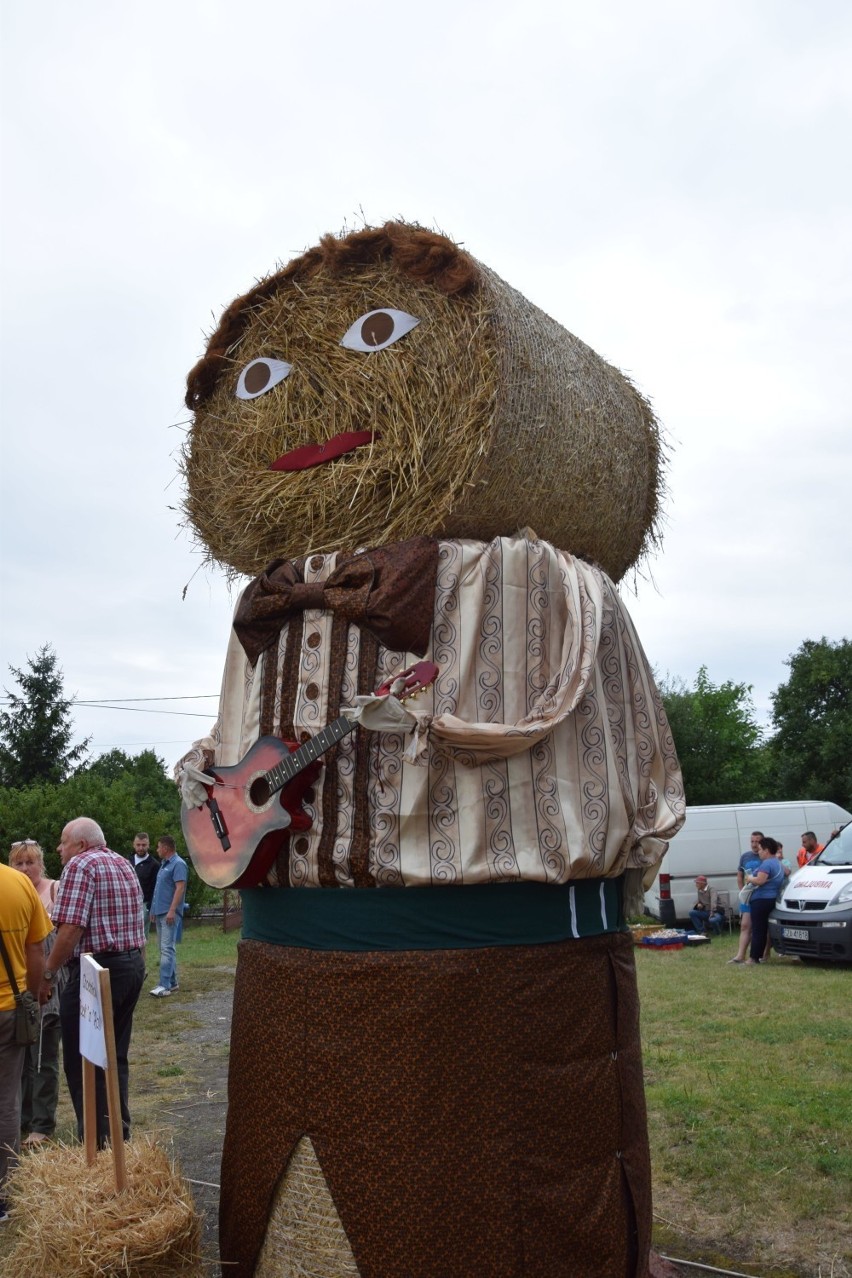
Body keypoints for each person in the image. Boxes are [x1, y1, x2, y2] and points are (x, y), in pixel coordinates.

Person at [40, 817, 145, 1149]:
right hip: (131, 965)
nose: (59, 848)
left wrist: (47, 972)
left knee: (84, 1058)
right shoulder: (123, 863)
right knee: (115, 1056)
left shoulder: (79, 866)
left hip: (96, 970)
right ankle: (117, 1133)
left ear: (81, 845)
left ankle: (96, 1143)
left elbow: (70, 929)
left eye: (62, 841)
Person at [0, 860, 51, 1222]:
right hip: (9, 1010)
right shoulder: (18, 883)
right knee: (6, 1100)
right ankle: (3, 1191)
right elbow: (37, 951)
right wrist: (32, 998)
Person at [8, 840, 64, 1146]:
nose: (26, 868)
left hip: (48, 984)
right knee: (21, 1058)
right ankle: (23, 1118)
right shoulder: (12, 891)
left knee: (43, 1056)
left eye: (31, 862)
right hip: (19, 988)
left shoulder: (54, 890)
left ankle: (43, 1123)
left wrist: (47, 978)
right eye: (19, 863)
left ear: (41, 863)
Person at [149, 836, 188, 998]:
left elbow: (180, 888)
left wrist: (172, 910)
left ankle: (164, 985)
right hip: (159, 912)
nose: (157, 850)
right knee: (164, 948)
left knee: (167, 948)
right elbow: (159, 889)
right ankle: (172, 982)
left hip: (169, 913)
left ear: (166, 848)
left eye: (158, 847)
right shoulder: (165, 864)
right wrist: (153, 909)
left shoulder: (178, 864)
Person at [745, 836, 785, 965]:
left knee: (758, 929)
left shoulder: (767, 863)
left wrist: (750, 878)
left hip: (761, 900)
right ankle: (762, 955)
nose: (759, 851)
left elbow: (760, 880)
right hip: (772, 898)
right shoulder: (778, 863)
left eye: (761, 849)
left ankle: (753, 958)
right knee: (764, 930)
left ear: (767, 850)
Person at [729, 831, 763, 964]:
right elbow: (740, 875)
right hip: (748, 896)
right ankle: (740, 955)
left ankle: (763, 955)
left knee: (760, 927)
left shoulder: (765, 856)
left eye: (757, 841)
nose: (754, 844)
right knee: (745, 925)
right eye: (752, 841)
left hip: (761, 895)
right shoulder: (745, 856)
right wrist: (742, 891)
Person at [129, 832, 159, 936]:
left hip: (144, 904)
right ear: (134, 845)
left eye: (143, 845)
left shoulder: (154, 864)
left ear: (148, 845)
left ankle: (141, 953)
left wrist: (151, 907)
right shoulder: (127, 861)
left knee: (141, 936)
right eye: (138, 845)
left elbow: (155, 888)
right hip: (128, 903)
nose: (141, 848)